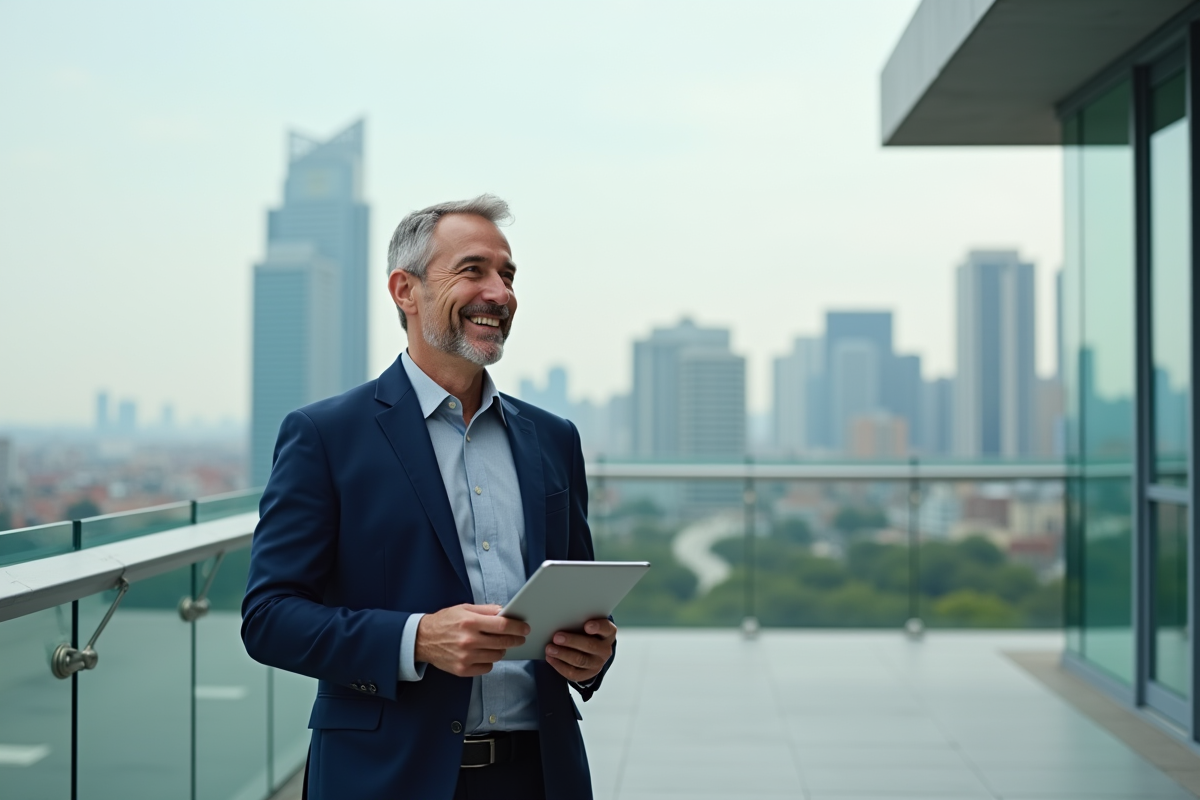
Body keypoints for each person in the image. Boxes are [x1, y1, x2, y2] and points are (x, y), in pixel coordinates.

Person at [242, 195, 616, 800]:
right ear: (404, 290)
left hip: (541, 775)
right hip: (386, 775)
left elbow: (575, 600)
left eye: (508, 274)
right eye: (473, 270)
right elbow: (268, 618)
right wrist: (416, 639)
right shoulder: (326, 436)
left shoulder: (554, 438)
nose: (500, 292)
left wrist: (594, 652)